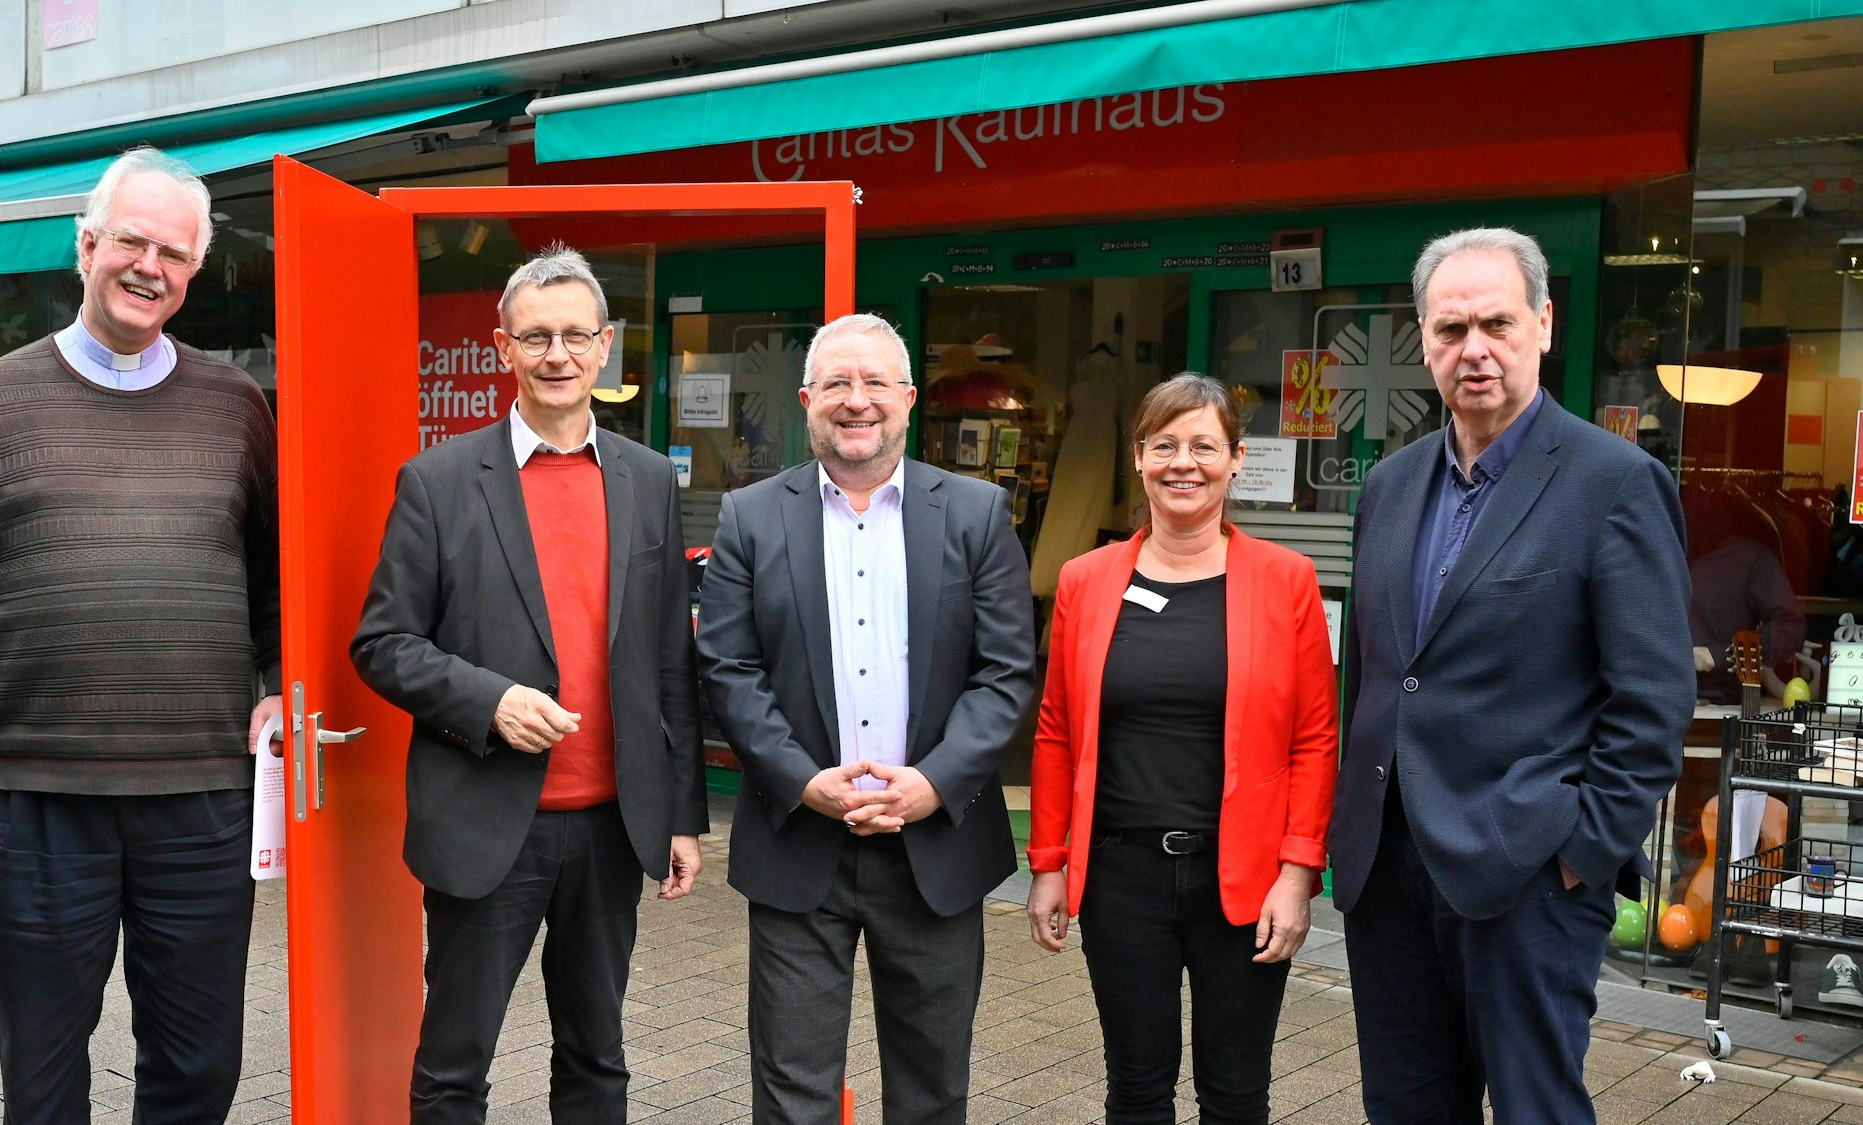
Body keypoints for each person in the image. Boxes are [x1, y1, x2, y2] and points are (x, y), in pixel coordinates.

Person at [0, 146, 281, 1124]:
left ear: (194, 272)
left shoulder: (237, 408)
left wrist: (280, 682)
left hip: (200, 800)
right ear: (87, 246)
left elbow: (277, 575)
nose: (151, 266)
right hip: (39, 800)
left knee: (199, 1068)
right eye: (133, 241)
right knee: (44, 1073)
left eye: (176, 254)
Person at [1330, 227, 1694, 1121]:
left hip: (1528, 872)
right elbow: (1377, 674)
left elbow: (1652, 703)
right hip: (1388, 871)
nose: (1475, 349)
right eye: (1451, 330)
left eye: (1496, 323)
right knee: (1407, 1109)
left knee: (1536, 1108)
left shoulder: (1615, 481)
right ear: (1424, 340)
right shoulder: (1390, 484)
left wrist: (1579, 854)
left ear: (1542, 322)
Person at [351, 243, 705, 1124]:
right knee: (452, 1068)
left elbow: (670, 661)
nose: (558, 355)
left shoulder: (649, 480)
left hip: (611, 828)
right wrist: (489, 700)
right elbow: (382, 641)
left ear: (605, 345)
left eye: (575, 335)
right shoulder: (437, 481)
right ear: (503, 346)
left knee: (597, 1060)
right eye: (537, 336)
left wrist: (683, 816)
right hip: (485, 825)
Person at [696, 312, 1036, 1125]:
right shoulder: (750, 516)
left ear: (909, 399)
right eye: (838, 384)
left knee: (931, 1091)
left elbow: (1007, 673)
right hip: (797, 843)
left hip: (935, 846)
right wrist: (802, 780)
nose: (858, 402)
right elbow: (729, 669)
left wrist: (934, 783)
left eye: (875, 382)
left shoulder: (977, 513)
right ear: (807, 399)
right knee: (791, 1094)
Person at [1025, 372, 1338, 1124]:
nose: (1183, 462)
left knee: (1234, 1092)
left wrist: (1299, 874)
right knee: (1136, 1086)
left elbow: (1316, 738)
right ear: (1139, 457)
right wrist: (1047, 865)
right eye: (1164, 444)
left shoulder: (1286, 580)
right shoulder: (1086, 579)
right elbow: (1057, 731)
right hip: (1120, 876)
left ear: (1235, 459)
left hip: (1245, 880)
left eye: (1204, 445)